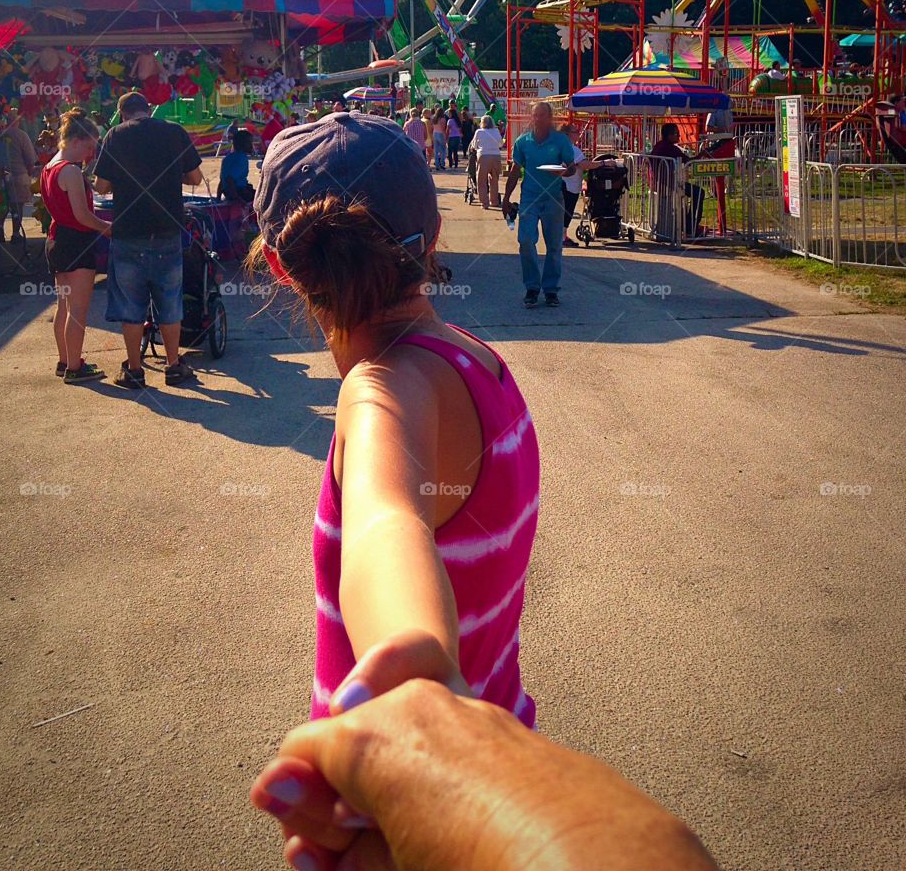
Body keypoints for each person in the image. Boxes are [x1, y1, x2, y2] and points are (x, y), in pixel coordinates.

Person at [249, 114, 540, 848]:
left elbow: (386, 521)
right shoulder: (473, 360)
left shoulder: (381, 392)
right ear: (434, 232)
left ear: (281, 267)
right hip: (491, 744)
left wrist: (418, 683)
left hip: (407, 793)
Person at [250, 641, 720, 871]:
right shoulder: (403, 441)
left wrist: (435, 741)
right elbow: (389, 525)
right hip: (490, 737)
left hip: (450, 749)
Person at [92, 91, 204, 389]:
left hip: (128, 233)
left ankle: (134, 370)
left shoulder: (115, 136)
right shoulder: (174, 132)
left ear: (122, 112)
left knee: (131, 305)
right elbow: (194, 178)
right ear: (148, 109)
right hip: (167, 231)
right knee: (170, 301)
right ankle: (174, 365)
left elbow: (101, 186)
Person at [41, 111, 113, 384]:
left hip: (57, 239)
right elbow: (82, 215)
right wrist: (108, 229)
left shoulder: (50, 165)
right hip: (76, 242)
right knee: (79, 310)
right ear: (77, 140)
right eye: (90, 145)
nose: (91, 152)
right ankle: (74, 367)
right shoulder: (70, 171)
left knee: (64, 306)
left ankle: (65, 360)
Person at [502, 101, 576, 308]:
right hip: (529, 199)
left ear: (550, 117)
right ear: (531, 118)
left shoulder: (561, 141)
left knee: (554, 246)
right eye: (535, 115)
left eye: (543, 115)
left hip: (553, 198)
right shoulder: (523, 142)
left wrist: (563, 171)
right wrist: (506, 199)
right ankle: (532, 287)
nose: (538, 119)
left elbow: (571, 168)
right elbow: (515, 170)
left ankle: (551, 290)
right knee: (525, 241)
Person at [0, 108, 37, 242]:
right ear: (17, 121)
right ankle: (15, 233)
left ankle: (0, 230)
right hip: (18, 175)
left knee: (2, 205)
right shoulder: (22, 135)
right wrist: (30, 174)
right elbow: (30, 159)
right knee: (17, 206)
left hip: (0, 175)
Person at [468, 114, 504, 209]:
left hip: (483, 156)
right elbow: (500, 144)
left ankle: (485, 203)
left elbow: (474, 146)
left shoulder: (479, 132)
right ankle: (494, 201)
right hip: (496, 156)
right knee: (494, 180)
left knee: (481, 180)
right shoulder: (496, 131)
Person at [559, 122, 586, 248]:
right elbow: (584, 164)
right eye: (575, 132)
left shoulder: (560, 147)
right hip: (570, 185)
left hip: (566, 183)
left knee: (565, 211)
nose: (578, 134)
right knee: (567, 210)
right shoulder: (573, 149)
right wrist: (603, 163)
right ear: (567, 134)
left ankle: (562, 236)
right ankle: (562, 237)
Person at [218, 127, 255, 202]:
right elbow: (229, 179)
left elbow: (222, 181)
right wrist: (237, 198)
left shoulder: (227, 158)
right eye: (250, 143)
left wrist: (218, 199)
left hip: (228, 192)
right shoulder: (241, 158)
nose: (252, 146)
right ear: (243, 144)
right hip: (238, 191)